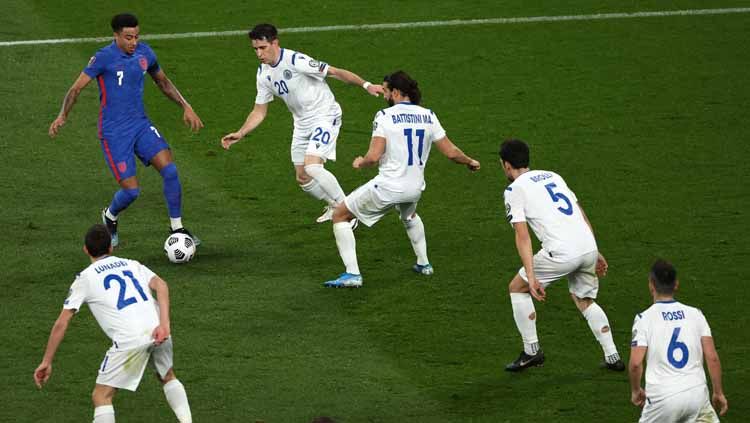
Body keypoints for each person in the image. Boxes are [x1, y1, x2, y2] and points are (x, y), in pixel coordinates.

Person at [48, 13, 204, 247]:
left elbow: (163, 81)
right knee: (131, 192)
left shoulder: (145, 53)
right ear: (116, 36)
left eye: (136, 37)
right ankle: (110, 216)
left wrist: (185, 105)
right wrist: (62, 115)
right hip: (114, 133)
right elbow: (76, 89)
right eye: (128, 37)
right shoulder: (103, 58)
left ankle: (178, 229)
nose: (133, 42)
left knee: (170, 171)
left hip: (140, 125)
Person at [323, 71, 480, 288]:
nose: (384, 95)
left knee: (340, 214)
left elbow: (374, 156)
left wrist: (362, 161)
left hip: (388, 186)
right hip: (415, 188)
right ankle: (424, 264)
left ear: (396, 92)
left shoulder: (384, 116)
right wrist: (470, 161)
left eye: (386, 91)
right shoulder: (429, 115)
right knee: (409, 214)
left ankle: (352, 274)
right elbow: (451, 152)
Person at [221, 23, 383, 224]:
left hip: (325, 115)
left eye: (263, 48)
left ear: (275, 43)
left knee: (312, 166)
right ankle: (334, 206)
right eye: (255, 49)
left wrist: (366, 85)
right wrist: (241, 132)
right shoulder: (263, 74)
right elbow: (259, 110)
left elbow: (335, 72)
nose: (259, 54)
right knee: (303, 177)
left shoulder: (296, 61)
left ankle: (347, 211)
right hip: (302, 124)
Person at [33, 224, 192, 423]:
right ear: (110, 248)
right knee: (167, 375)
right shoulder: (131, 264)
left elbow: (61, 323)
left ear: (85, 249)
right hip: (157, 328)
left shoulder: (85, 278)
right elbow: (161, 285)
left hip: (130, 339)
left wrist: (46, 361)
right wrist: (165, 324)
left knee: (101, 396)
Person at [499, 139, 624, 371]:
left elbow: (522, 236)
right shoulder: (553, 176)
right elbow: (580, 213)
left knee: (518, 288)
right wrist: (595, 250)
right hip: (587, 246)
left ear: (506, 165)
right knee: (584, 299)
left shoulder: (514, 190)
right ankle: (612, 355)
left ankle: (531, 351)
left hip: (561, 253)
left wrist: (531, 276)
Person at [629, 259, 728, 422]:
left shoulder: (644, 319)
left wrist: (635, 390)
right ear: (676, 284)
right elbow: (712, 357)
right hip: (697, 395)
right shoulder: (696, 314)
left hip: (663, 400)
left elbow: (635, 363)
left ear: (651, 285)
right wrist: (718, 392)